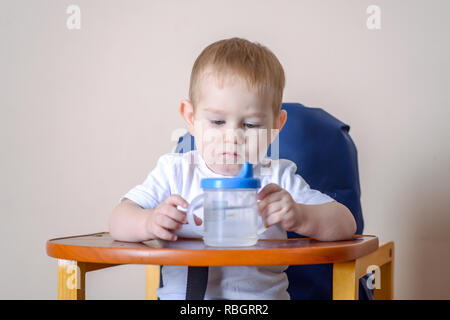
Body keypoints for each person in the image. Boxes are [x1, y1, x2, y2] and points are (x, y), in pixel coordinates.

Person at [109, 37, 356, 299]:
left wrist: (301, 215)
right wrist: (148, 222)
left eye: (250, 125)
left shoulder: (277, 178)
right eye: (217, 121)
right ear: (191, 119)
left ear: (276, 126)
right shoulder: (176, 171)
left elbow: (345, 223)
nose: (233, 137)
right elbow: (117, 220)